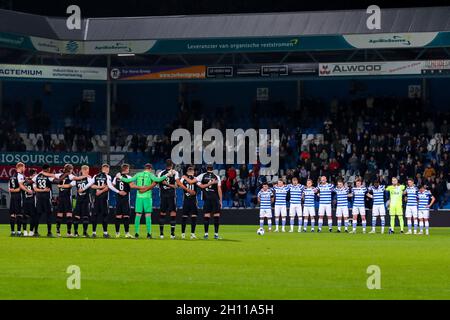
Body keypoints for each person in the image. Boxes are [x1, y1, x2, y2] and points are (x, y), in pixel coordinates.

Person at [119, 163, 171, 239]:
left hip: (139, 197)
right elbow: (158, 180)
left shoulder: (138, 174)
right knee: (148, 215)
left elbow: (128, 180)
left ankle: (136, 234)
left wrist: (120, 177)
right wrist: (167, 175)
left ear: (144, 168)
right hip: (147, 197)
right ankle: (149, 234)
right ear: (150, 169)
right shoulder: (150, 175)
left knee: (138, 215)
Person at [90, 164, 125, 238]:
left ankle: (94, 232)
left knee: (95, 215)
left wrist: (99, 189)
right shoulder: (107, 176)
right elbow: (109, 186)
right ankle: (105, 233)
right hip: (104, 199)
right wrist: (118, 191)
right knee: (105, 215)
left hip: (96, 198)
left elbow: (92, 185)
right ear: (105, 169)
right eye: (108, 169)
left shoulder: (95, 176)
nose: (108, 170)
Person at [194, 165, 223, 240]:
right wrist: (220, 200)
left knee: (207, 215)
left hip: (207, 198)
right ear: (213, 169)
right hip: (215, 198)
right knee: (216, 215)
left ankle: (206, 234)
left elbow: (195, 181)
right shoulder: (217, 177)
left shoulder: (202, 175)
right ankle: (216, 234)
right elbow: (219, 189)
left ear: (207, 169)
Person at [112, 164, 138, 238]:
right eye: (128, 169)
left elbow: (112, 186)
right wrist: (141, 187)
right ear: (126, 169)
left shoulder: (116, 177)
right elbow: (132, 185)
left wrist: (118, 191)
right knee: (126, 216)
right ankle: (127, 233)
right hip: (125, 199)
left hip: (118, 198)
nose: (129, 170)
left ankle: (117, 233)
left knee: (118, 216)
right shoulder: (128, 177)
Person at [157, 159, 180, 239]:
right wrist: (169, 184)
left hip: (163, 195)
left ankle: (161, 234)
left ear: (165, 165)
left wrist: (165, 184)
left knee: (162, 213)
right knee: (173, 213)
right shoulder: (175, 173)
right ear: (172, 165)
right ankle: (172, 234)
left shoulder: (160, 173)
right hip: (171, 196)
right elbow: (176, 186)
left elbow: (158, 183)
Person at [178, 166, 199, 239]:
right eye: (190, 170)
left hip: (192, 200)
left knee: (192, 216)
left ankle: (190, 234)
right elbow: (178, 184)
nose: (191, 172)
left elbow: (179, 184)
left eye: (191, 170)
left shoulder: (193, 178)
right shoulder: (195, 178)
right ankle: (185, 234)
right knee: (186, 216)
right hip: (188, 199)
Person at [8, 162, 27, 236]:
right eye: (24, 167)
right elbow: (20, 187)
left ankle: (12, 232)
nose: (24, 169)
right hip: (19, 197)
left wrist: (15, 189)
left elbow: (10, 189)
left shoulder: (11, 177)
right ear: (20, 167)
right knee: (19, 214)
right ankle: (19, 232)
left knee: (12, 214)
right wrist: (27, 190)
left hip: (12, 197)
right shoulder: (20, 176)